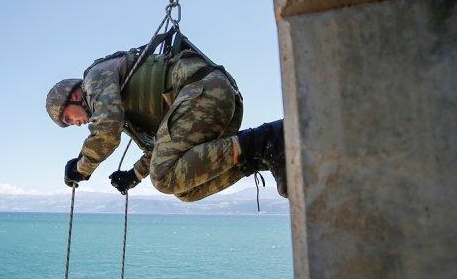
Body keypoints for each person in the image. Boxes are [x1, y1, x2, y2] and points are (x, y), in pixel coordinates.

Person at [45, 47, 288, 201]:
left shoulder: (93, 79)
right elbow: (163, 145)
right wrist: (134, 175)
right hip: (208, 102)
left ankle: (267, 140)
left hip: (202, 91)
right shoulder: (120, 105)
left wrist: (82, 166)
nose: (75, 124)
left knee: (163, 177)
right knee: (186, 188)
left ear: (74, 95)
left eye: (68, 118)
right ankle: (263, 155)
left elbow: (106, 128)